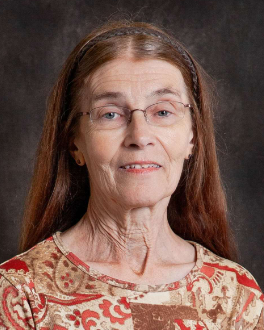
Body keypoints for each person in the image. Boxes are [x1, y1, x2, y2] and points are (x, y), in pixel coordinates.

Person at [0, 20, 263, 330]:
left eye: (162, 111)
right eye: (110, 113)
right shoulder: (19, 294)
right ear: (75, 143)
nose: (139, 136)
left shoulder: (236, 295)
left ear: (192, 137)